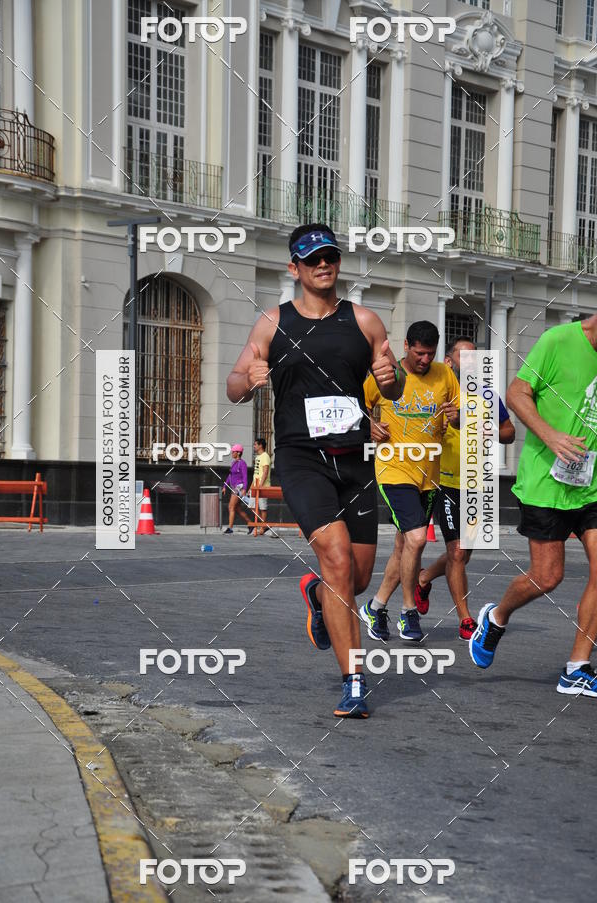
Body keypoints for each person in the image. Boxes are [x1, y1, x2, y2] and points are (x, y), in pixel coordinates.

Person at [227, 223, 405, 718]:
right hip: (302, 458)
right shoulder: (272, 323)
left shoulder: (365, 321)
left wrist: (391, 378)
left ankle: (317, 593)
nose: (323, 265)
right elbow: (234, 385)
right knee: (338, 560)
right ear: (295, 268)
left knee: (357, 579)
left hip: (355, 459)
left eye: (329, 257)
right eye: (312, 260)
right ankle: (354, 683)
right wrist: (248, 379)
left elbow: (392, 386)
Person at [469, 315, 597, 698]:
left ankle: (576, 668)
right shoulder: (558, 340)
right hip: (545, 483)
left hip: (591, 486)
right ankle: (497, 617)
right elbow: (516, 394)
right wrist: (551, 435)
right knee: (547, 577)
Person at [360, 321, 459, 643]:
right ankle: (408, 611)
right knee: (417, 539)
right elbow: (358, 405)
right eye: (419, 353)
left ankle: (375, 607)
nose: (425, 360)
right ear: (406, 346)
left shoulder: (445, 375)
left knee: (405, 546)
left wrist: (457, 417)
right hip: (394, 469)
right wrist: (369, 425)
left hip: (429, 476)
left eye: (431, 354)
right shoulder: (387, 375)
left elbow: (461, 415)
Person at [415, 337, 515, 640]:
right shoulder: (437, 394)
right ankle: (466, 620)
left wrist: (485, 428)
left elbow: (509, 432)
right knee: (457, 552)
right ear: (449, 361)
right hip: (445, 482)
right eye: (465, 356)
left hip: (477, 484)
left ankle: (423, 578)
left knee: (463, 554)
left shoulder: (487, 395)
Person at [246, 437, 272, 535]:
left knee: (262, 507)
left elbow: (265, 472)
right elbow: (256, 474)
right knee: (251, 506)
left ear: (260, 445)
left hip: (263, 486)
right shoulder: (257, 457)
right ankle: (264, 525)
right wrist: (251, 487)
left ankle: (263, 526)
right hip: (255, 485)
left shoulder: (265, 456)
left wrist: (260, 485)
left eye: (255, 444)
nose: (254, 446)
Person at [222, 444, 249, 534]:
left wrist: (244, 489)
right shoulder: (233, 463)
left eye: (233, 452)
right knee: (237, 508)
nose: (232, 453)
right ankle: (251, 524)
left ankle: (230, 528)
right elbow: (230, 476)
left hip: (239, 487)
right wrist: (225, 486)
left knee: (231, 506)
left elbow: (245, 477)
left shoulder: (242, 463)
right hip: (233, 487)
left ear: (238, 453)